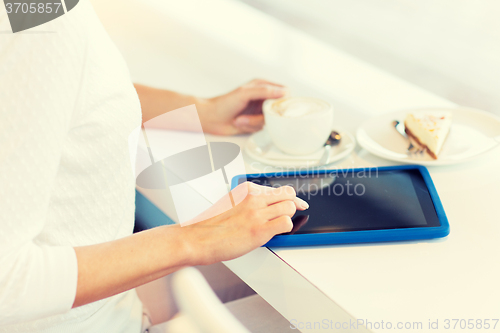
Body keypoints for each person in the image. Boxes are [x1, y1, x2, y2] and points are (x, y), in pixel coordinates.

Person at [0, 1, 308, 332]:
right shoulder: (44, 27)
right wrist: (198, 238)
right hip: (90, 321)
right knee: (303, 307)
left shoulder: (35, 17)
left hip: (101, 307)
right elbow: (8, 284)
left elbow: (57, 84)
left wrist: (204, 109)